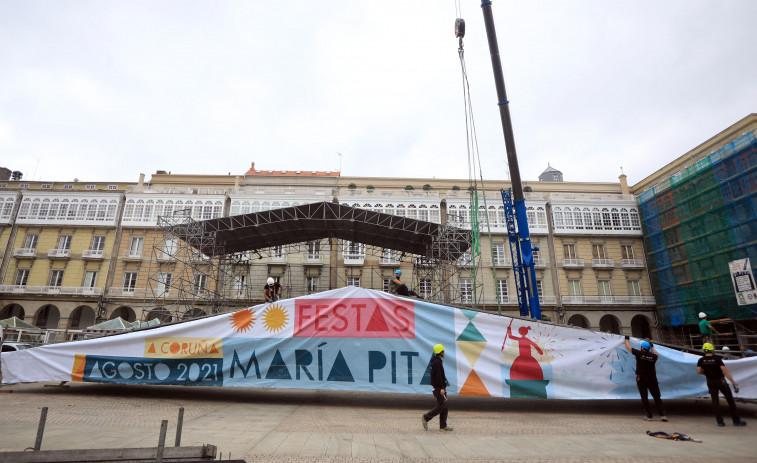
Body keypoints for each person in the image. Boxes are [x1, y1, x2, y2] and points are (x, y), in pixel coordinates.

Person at [696, 342, 747, 427]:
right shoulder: (717, 359)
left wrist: (706, 374)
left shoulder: (701, 360)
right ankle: (736, 421)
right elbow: (726, 372)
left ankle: (720, 422)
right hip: (721, 381)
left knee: (715, 402)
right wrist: (734, 383)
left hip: (710, 382)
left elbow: (698, 371)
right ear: (712, 350)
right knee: (730, 401)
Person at [625, 336, 667, 422]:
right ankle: (662, 415)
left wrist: (626, 340)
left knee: (644, 397)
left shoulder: (639, 354)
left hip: (642, 379)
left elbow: (628, 347)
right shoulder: (653, 357)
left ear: (642, 348)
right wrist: (652, 347)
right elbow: (657, 354)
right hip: (652, 379)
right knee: (657, 397)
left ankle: (649, 416)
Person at [421, 344, 453, 432]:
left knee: (444, 406)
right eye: (443, 351)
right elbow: (439, 377)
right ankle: (426, 417)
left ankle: (443, 426)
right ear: (441, 352)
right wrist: (442, 388)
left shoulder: (436, 361)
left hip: (438, 387)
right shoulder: (437, 363)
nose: (444, 353)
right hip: (438, 388)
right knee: (441, 407)